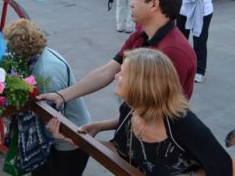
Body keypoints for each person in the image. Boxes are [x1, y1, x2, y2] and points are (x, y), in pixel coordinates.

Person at [48, 48, 233, 175]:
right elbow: (121, 152)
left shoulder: (183, 124)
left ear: (142, 84)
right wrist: (75, 139)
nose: (116, 76)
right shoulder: (131, 109)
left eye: (123, 73)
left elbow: (225, 168)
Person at [37, 0, 197, 109]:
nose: (131, 3)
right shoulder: (141, 36)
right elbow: (108, 71)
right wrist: (62, 95)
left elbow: (158, 114)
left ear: (154, 5)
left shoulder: (173, 52)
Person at [3, 19, 91, 176]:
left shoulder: (46, 72)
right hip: (67, 134)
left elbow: (50, 121)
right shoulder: (44, 54)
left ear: (19, 50)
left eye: (10, 47)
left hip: (68, 140)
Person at [176, 0, 215, 84]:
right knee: (180, 41)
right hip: (184, 11)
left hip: (201, 13)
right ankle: (182, 65)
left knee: (199, 42)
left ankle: (199, 71)